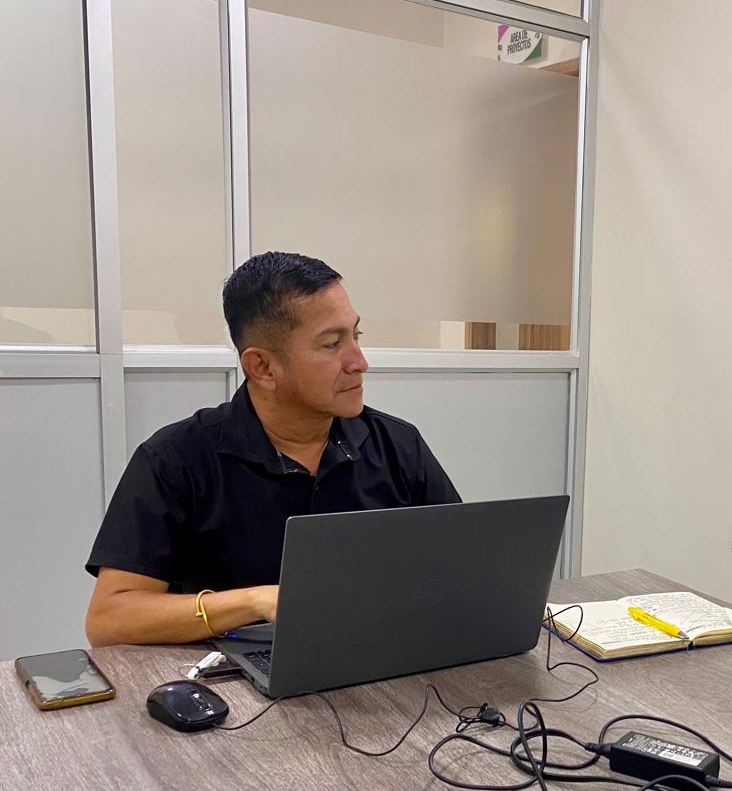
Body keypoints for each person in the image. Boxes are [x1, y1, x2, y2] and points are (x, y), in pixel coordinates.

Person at [84, 252, 460, 646]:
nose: (359, 362)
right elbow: (109, 620)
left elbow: (460, 570)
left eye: (356, 335)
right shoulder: (176, 459)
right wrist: (255, 601)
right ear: (262, 367)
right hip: (232, 671)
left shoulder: (397, 445)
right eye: (332, 344)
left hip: (378, 655)